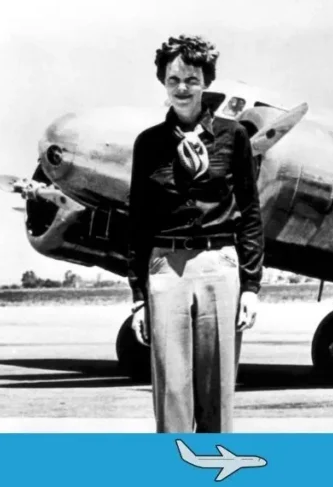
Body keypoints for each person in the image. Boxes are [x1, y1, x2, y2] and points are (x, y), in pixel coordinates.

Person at [126, 34, 264, 433]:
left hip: (219, 266)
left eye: (191, 79)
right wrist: (138, 297)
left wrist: (251, 286)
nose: (182, 88)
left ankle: (216, 464)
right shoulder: (148, 144)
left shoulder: (234, 136)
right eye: (173, 80)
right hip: (165, 269)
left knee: (216, 394)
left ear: (206, 82)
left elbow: (250, 213)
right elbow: (138, 222)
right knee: (171, 393)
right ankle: (173, 465)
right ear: (163, 83)